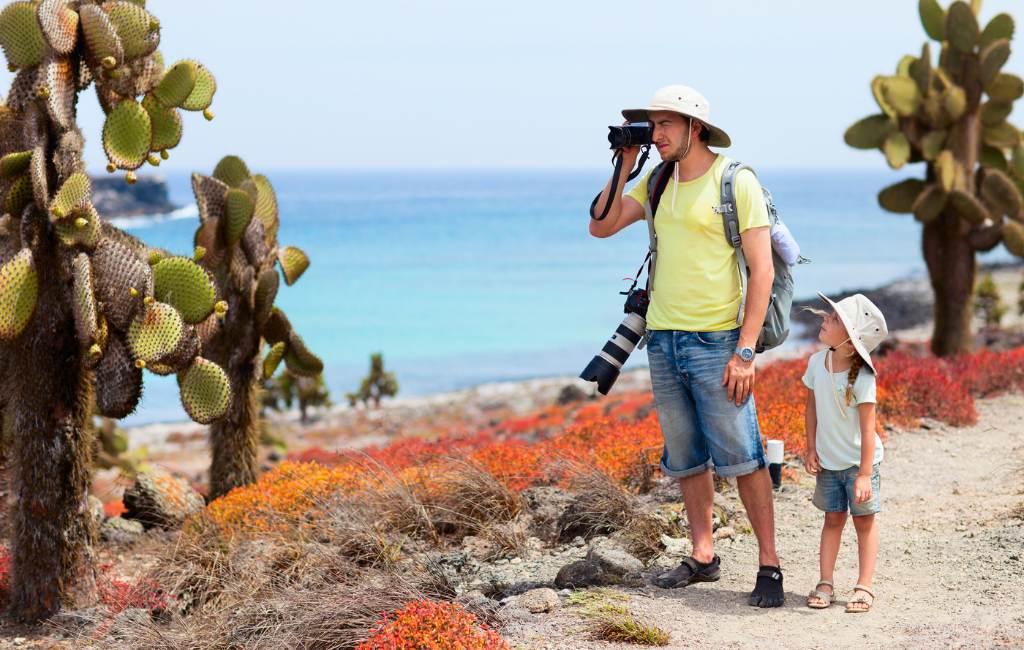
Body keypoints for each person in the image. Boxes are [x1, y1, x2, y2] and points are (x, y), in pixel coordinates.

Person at [588, 85, 783, 607]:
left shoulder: (735, 181)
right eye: (652, 124)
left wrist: (745, 351)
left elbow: (762, 271)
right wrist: (625, 162)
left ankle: (770, 564)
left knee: (744, 456)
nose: (658, 133)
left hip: (717, 341)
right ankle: (703, 556)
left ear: (695, 127)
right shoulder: (655, 179)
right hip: (662, 339)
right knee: (686, 458)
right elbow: (600, 227)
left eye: (666, 124)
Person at [801, 293, 888, 613]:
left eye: (834, 319)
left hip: (858, 464)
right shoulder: (815, 362)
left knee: (864, 522)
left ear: (850, 342)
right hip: (828, 462)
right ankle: (825, 582)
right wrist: (810, 448)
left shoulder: (863, 376)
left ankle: (864, 586)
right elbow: (810, 408)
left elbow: (868, 430)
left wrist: (865, 474)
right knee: (832, 519)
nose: (825, 319)